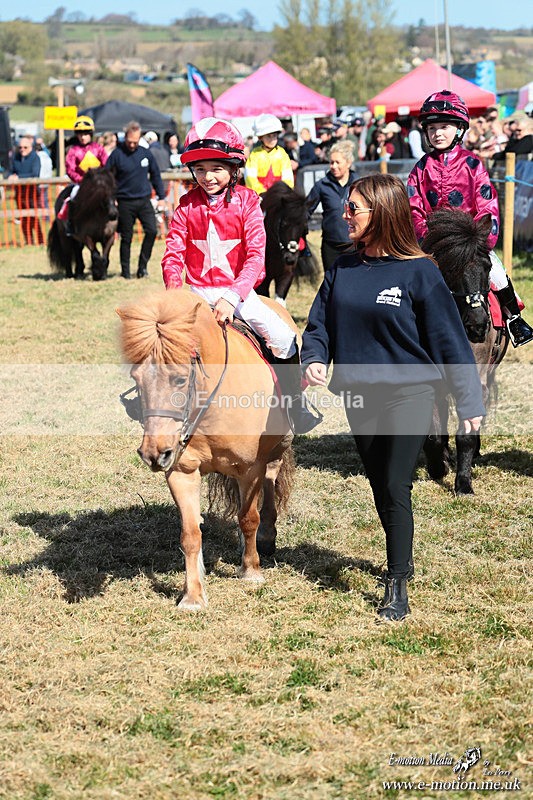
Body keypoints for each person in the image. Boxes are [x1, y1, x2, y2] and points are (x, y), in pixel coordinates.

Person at [301, 173, 485, 621]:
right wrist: (314, 356)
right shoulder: (343, 267)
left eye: (354, 208)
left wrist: (469, 403)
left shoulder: (419, 271)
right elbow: (319, 323)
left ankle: (396, 581)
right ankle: (403, 556)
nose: (344, 215)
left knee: (396, 483)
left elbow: (449, 341)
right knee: (379, 482)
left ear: (382, 212)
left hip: (411, 392)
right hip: (359, 396)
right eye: (345, 207)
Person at [161, 117, 319, 434]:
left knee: (284, 338)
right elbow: (173, 253)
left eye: (217, 168)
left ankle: (294, 406)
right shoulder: (185, 206)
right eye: (201, 169)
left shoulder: (248, 203)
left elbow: (256, 257)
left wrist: (232, 298)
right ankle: (160, 409)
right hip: (193, 294)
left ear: (234, 169)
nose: (208, 176)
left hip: (238, 294)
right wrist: (175, 293)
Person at [408, 90, 533, 347]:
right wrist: (426, 239)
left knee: (497, 273)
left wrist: (482, 241)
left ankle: (514, 319)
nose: (437, 133)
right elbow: (414, 209)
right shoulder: (419, 169)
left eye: (444, 127)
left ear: (460, 130)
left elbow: (488, 206)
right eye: (432, 128)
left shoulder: (473, 164)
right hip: (434, 246)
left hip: (470, 243)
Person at [106, 120, 166, 279]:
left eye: (135, 141)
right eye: (129, 141)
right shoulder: (116, 155)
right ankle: (125, 272)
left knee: (152, 231)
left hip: (144, 200)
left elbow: (156, 175)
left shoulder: (146, 154)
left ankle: (142, 268)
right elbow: (108, 178)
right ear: (125, 137)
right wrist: (112, 199)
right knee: (126, 238)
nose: (132, 145)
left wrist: (161, 196)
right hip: (125, 202)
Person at [306, 140, 357, 271]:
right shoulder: (321, 185)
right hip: (330, 245)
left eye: (337, 162)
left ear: (348, 163)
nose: (333, 166)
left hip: (355, 245)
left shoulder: (359, 183)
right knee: (332, 284)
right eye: (331, 162)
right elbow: (306, 211)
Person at [57, 116, 109, 230]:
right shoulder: (73, 151)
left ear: (90, 134)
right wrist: (82, 180)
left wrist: (100, 179)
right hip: (80, 184)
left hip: (98, 183)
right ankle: (70, 224)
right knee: (72, 196)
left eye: (85, 134)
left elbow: (106, 165)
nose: (82, 137)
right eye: (80, 134)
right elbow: (70, 169)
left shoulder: (99, 149)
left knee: (110, 197)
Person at [7, 136, 44, 245]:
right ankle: (29, 241)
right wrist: (10, 176)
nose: (22, 149)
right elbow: (10, 171)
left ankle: (40, 241)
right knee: (23, 218)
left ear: (30, 147)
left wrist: (18, 177)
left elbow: (35, 174)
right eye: (20, 147)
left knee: (33, 217)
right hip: (19, 193)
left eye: (25, 147)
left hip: (32, 193)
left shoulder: (35, 158)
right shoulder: (15, 157)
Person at [244, 114, 294, 194]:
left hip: (279, 195)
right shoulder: (255, 154)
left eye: (274, 136)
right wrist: (262, 193)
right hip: (260, 196)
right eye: (268, 136)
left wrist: (283, 191)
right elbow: (250, 178)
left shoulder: (282, 153)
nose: (272, 139)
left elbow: (288, 177)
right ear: (260, 137)